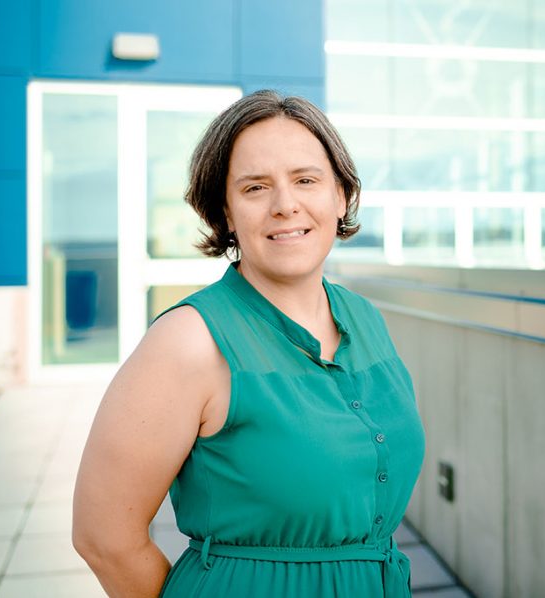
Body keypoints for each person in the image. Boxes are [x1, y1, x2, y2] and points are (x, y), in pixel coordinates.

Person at [72, 90, 426, 597]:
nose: (286, 205)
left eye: (306, 180)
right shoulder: (188, 342)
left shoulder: (365, 318)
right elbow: (103, 538)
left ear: (342, 194)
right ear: (227, 212)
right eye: (256, 188)